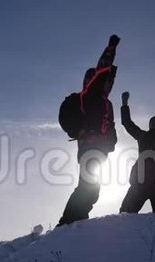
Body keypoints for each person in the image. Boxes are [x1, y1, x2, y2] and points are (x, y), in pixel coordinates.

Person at [57, 35, 120, 226]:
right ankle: (68, 221)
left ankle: (76, 219)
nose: (108, 84)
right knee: (88, 186)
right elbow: (103, 69)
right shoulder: (89, 95)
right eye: (106, 81)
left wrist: (112, 143)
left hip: (100, 149)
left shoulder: (106, 103)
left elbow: (111, 126)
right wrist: (111, 48)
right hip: (89, 145)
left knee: (92, 188)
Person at [119, 91, 155, 214]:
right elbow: (127, 124)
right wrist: (124, 104)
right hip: (140, 181)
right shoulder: (143, 135)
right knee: (125, 215)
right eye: (152, 122)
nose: (154, 123)